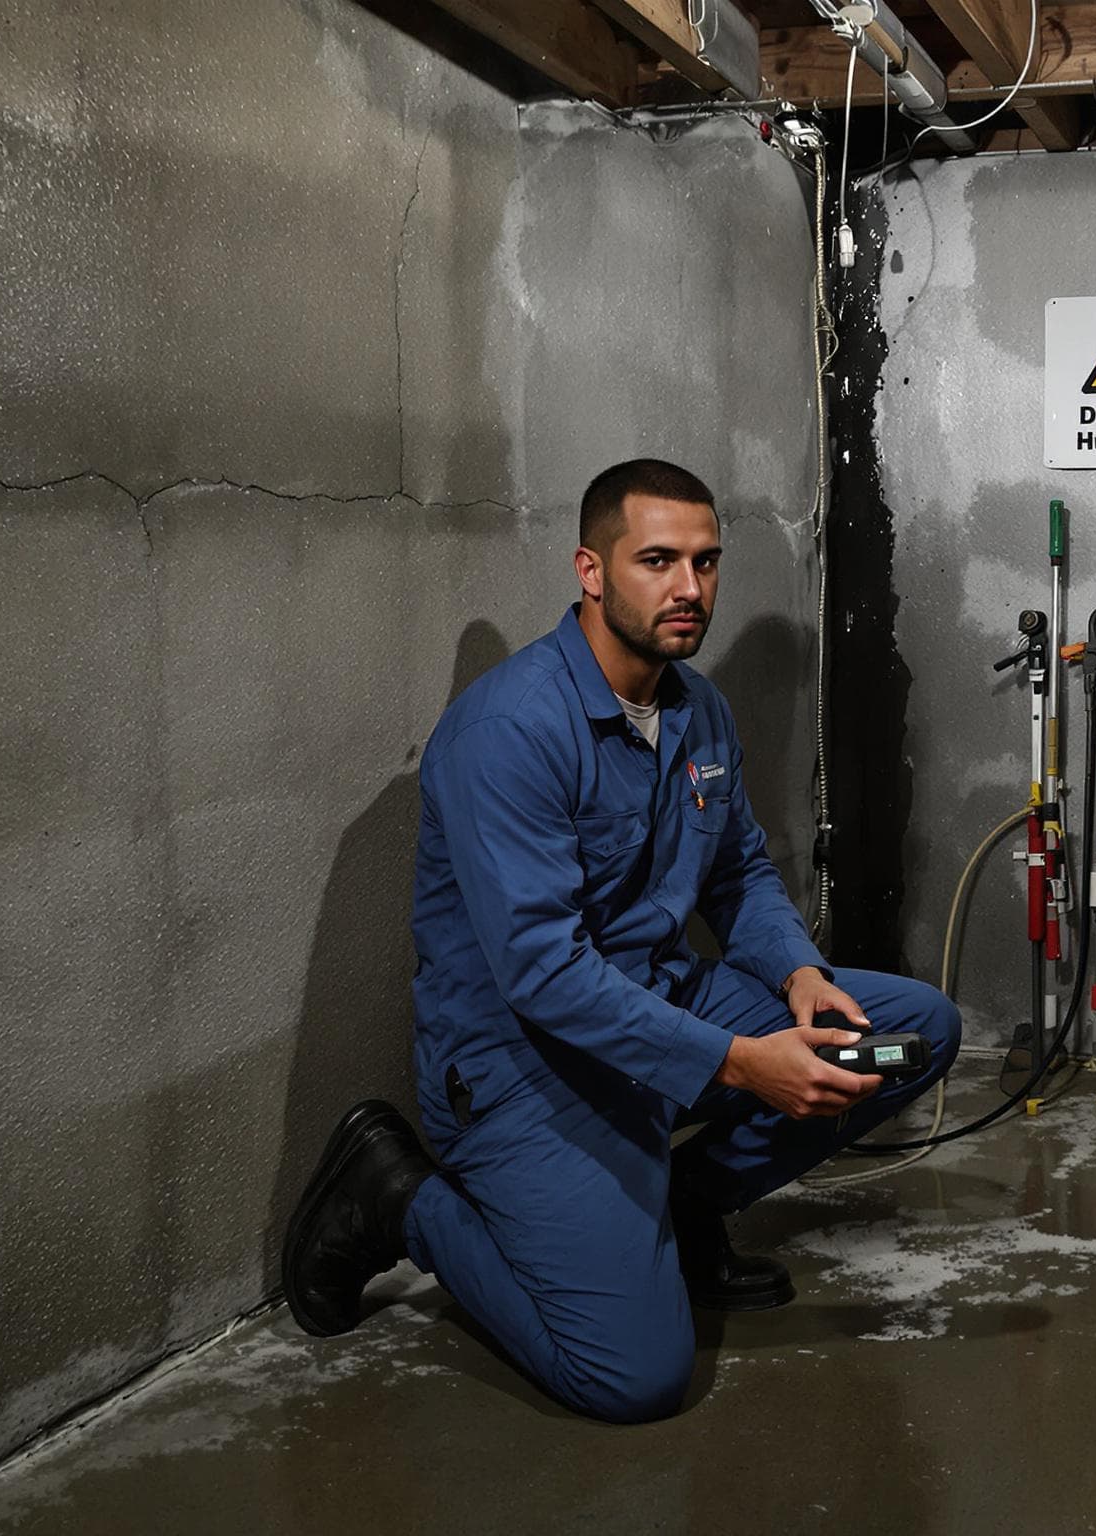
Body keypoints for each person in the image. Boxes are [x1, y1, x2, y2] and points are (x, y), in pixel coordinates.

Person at [280, 458, 961, 1423]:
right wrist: (735, 1063)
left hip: (658, 1002)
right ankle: (400, 1200)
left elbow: (738, 877)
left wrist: (800, 974)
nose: (690, 589)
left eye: (707, 562)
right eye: (658, 561)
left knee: (911, 1028)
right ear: (590, 571)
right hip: (524, 1064)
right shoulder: (512, 729)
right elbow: (544, 973)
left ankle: (680, 1204)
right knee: (633, 1378)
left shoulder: (697, 710)